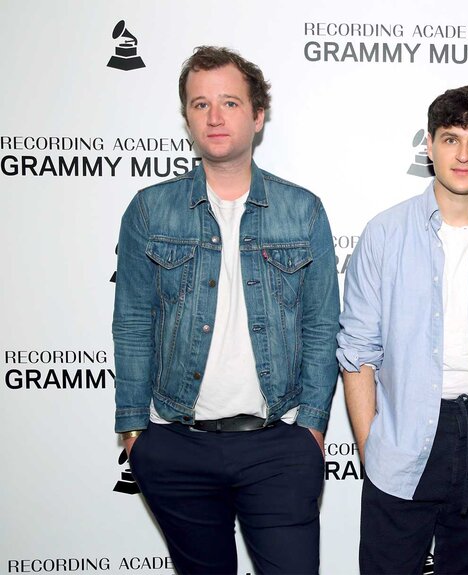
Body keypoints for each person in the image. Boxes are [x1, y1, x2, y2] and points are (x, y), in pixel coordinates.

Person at [112, 46, 339, 574]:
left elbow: (323, 324)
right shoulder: (149, 209)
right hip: (176, 445)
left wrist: (311, 424)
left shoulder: (303, 211)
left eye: (230, 103)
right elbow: (132, 321)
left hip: (278, 445)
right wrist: (133, 426)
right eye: (201, 104)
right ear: (187, 118)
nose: (215, 116)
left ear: (257, 116)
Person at [338, 85, 468, 575]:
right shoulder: (384, 235)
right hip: (405, 436)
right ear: (429, 145)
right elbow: (357, 353)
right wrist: (373, 450)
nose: (462, 153)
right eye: (450, 138)